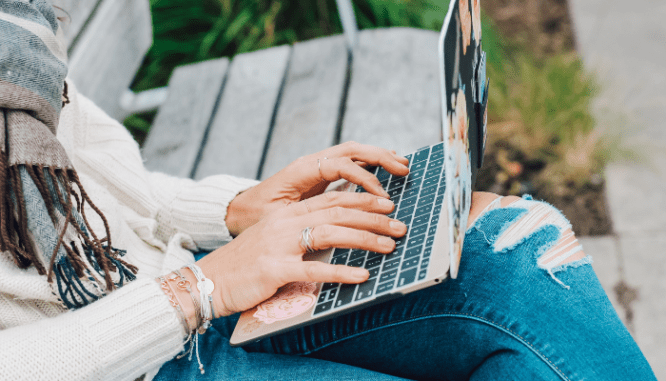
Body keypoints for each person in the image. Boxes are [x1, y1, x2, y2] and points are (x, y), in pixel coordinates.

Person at [0, 1, 656, 380]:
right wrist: (204, 289)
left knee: (520, 254)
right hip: (132, 352)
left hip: (172, 284)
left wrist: (236, 209)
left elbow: (93, 177)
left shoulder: (14, 32)